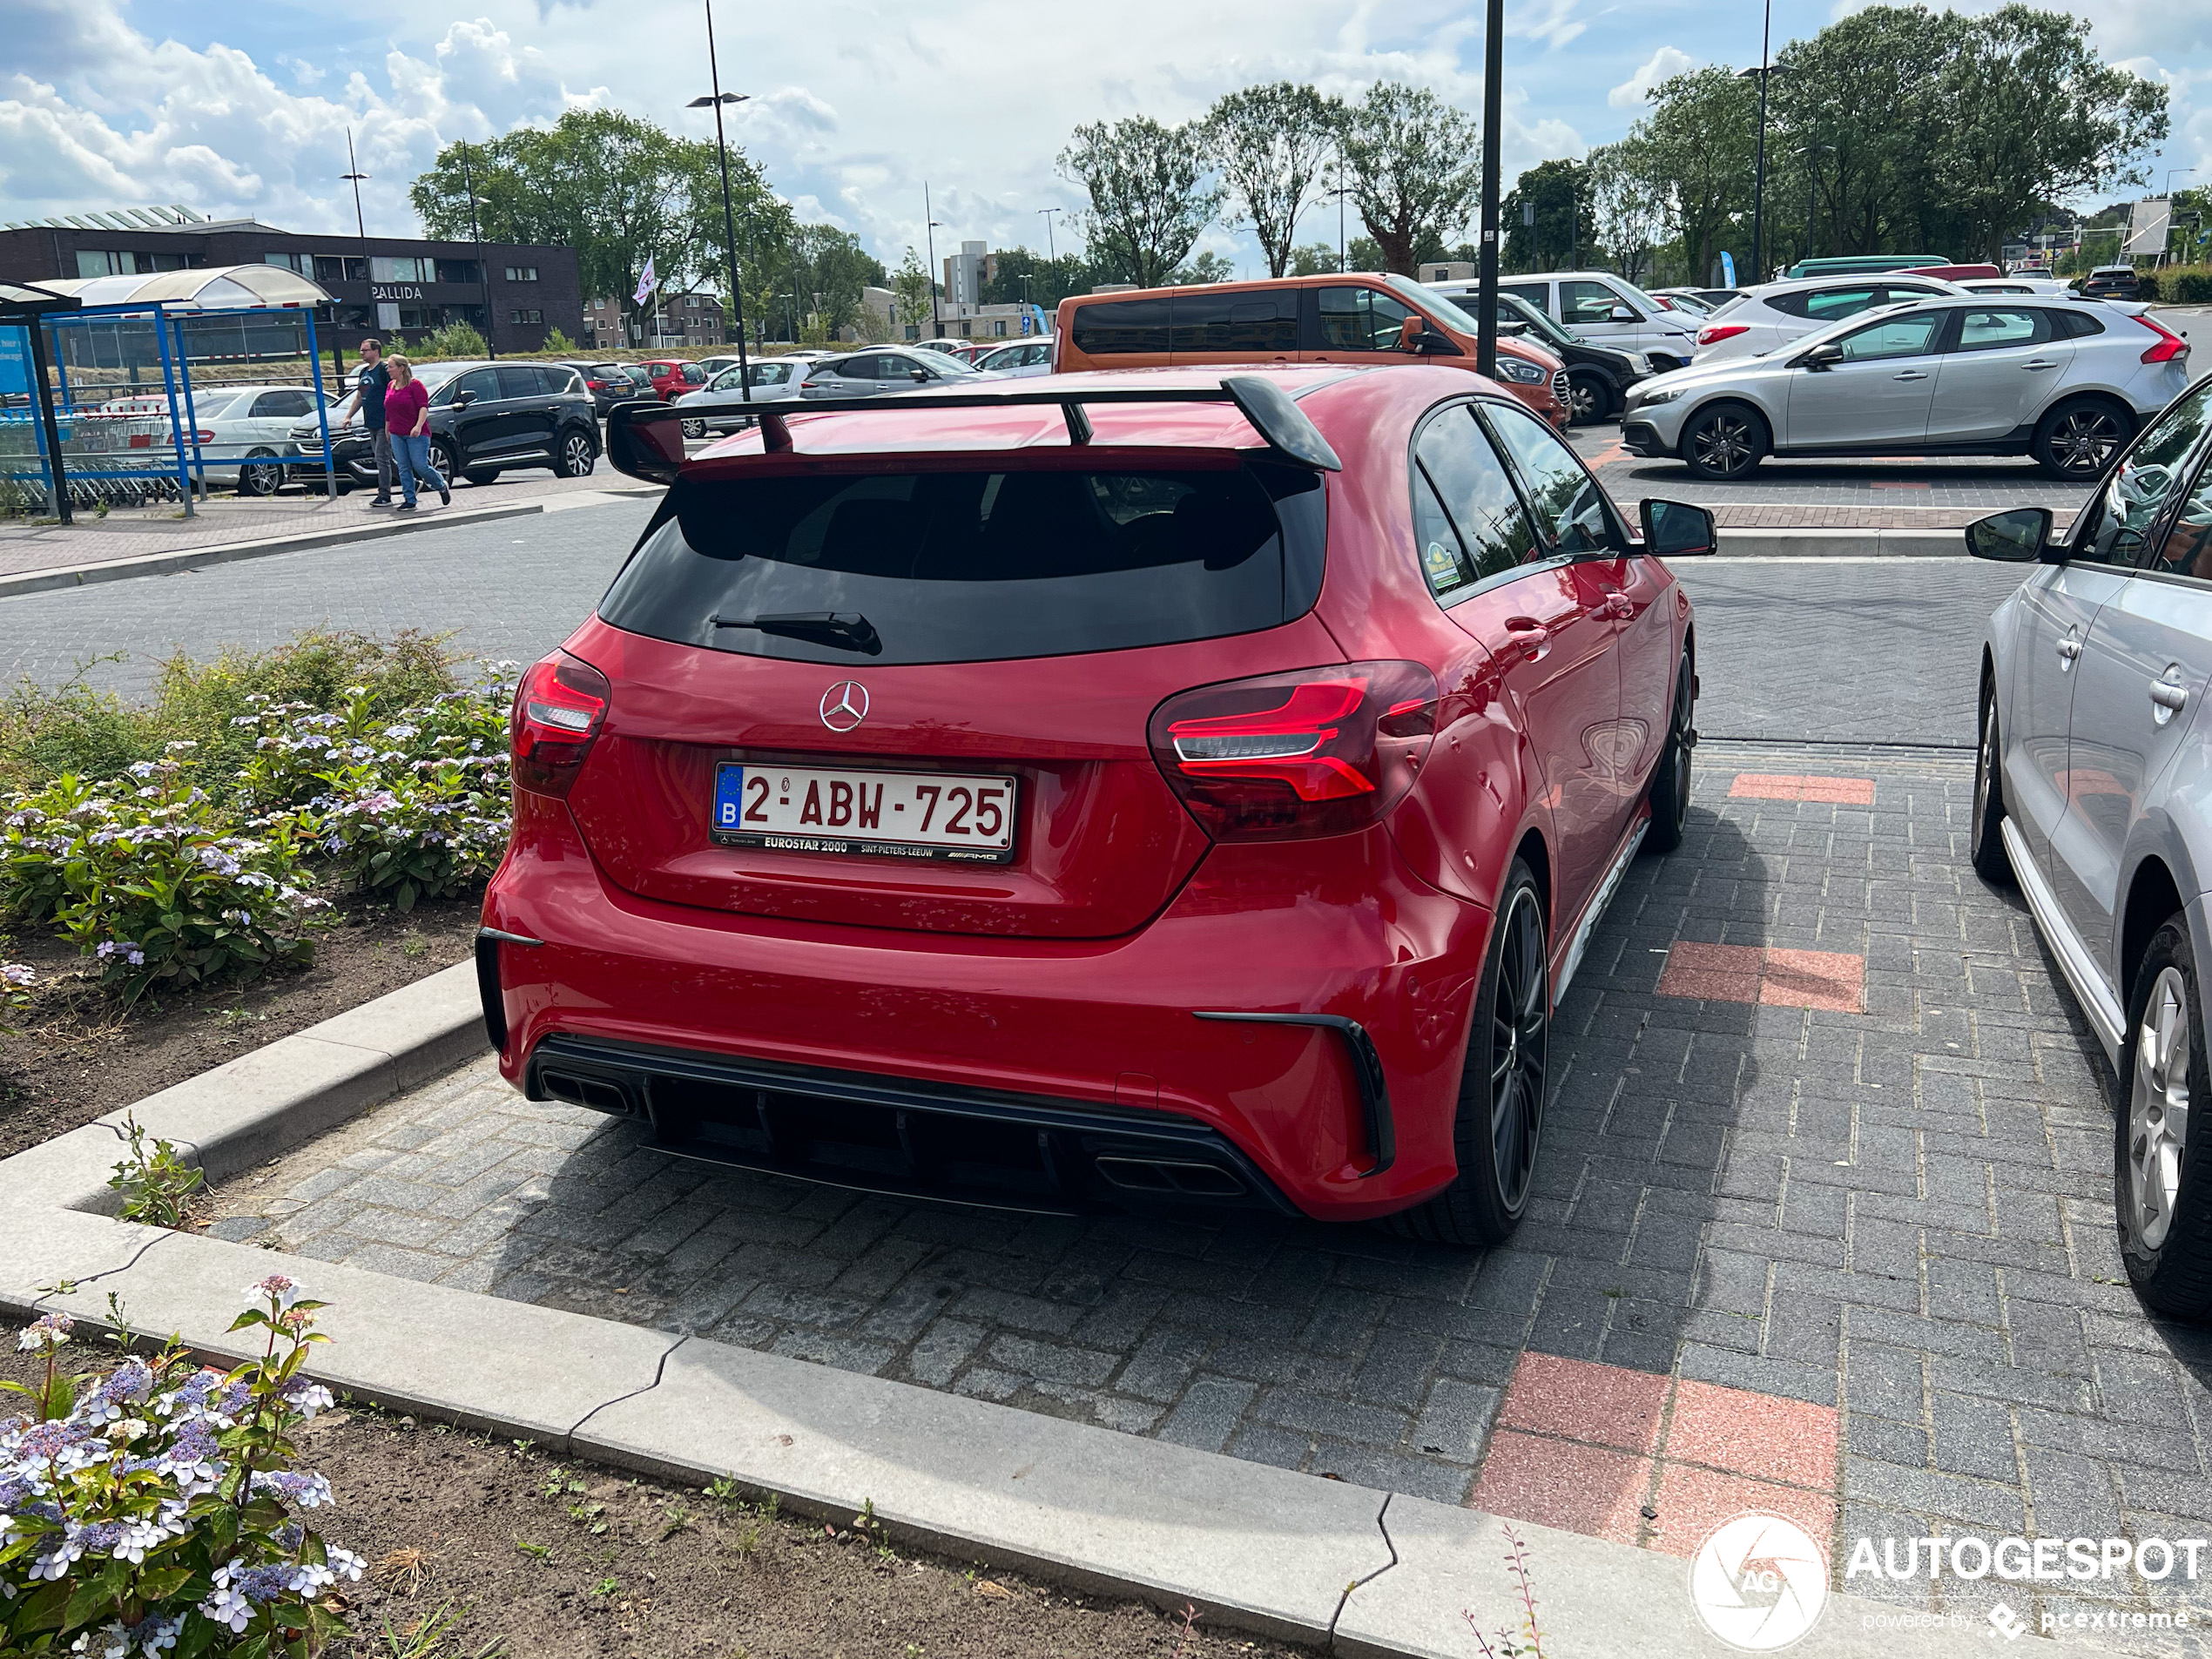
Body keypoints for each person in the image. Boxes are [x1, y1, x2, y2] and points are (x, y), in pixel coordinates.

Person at [381, 355, 449, 511]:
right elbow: (389, 410)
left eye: (391, 366)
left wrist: (418, 426)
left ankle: (440, 485)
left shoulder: (415, 385)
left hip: (415, 433)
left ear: (401, 368)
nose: (388, 370)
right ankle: (409, 499)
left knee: (420, 465)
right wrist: (387, 428)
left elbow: (423, 407)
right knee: (403, 467)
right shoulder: (390, 386)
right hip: (396, 432)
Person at [341, 338, 395, 507]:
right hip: (370, 421)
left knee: (381, 458)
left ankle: (385, 495)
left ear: (375, 351)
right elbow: (359, 397)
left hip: (384, 422)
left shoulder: (384, 370)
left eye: (365, 350)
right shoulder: (364, 372)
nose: (361, 353)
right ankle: (413, 482)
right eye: (361, 350)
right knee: (385, 458)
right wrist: (349, 416)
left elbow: (394, 393)